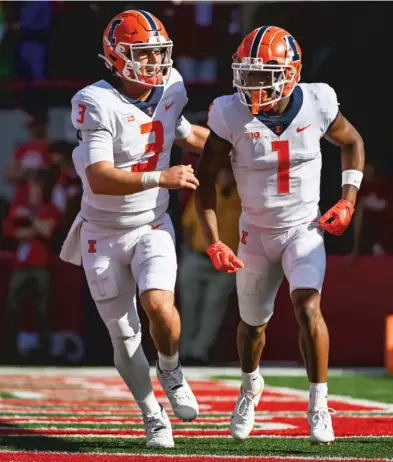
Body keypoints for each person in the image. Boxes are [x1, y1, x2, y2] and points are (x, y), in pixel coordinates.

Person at [195, 26, 365, 445]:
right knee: (252, 326)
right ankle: (250, 387)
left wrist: (348, 200)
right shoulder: (228, 112)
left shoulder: (319, 101)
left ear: (289, 73)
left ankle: (319, 402)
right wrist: (215, 239)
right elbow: (205, 181)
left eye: (260, 75)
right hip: (254, 231)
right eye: (245, 74)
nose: (249, 85)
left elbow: (353, 141)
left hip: (302, 228)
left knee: (307, 307)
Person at [60, 10, 209, 449]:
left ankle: (170, 366)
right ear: (116, 57)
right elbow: (99, 177)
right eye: (143, 53)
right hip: (102, 230)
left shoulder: (171, 87)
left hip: (151, 221)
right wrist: (161, 177)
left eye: (158, 52)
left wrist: (236, 142)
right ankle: (151, 413)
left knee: (160, 306)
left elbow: (178, 130)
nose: (154, 62)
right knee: (124, 334)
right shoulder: (94, 101)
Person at [179, 166, 240, 365]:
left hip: (227, 263)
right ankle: (182, 351)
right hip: (198, 257)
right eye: (225, 170)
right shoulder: (204, 190)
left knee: (214, 306)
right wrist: (186, 252)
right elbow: (187, 224)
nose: (228, 174)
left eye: (232, 171)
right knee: (187, 305)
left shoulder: (244, 196)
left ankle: (198, 352)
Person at [3, 169, 60, 364]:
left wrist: (30, 220)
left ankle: (43, 349)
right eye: (32, 186)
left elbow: (47, 231)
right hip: (21, 264)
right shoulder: (18, 207)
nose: (34, 190)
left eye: (38, 186)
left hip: (41, 264)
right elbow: (12, 233)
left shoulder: (49, 208)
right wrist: (35, 228)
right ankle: (10, 347)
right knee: (13, 305)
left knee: (42, 307)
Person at [348, 163, 393, 261]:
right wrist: (355, 249)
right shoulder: (361, 189)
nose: (365, 172)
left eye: (367, 168)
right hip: (376, 240)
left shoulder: (387, 184)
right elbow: (358, 220)